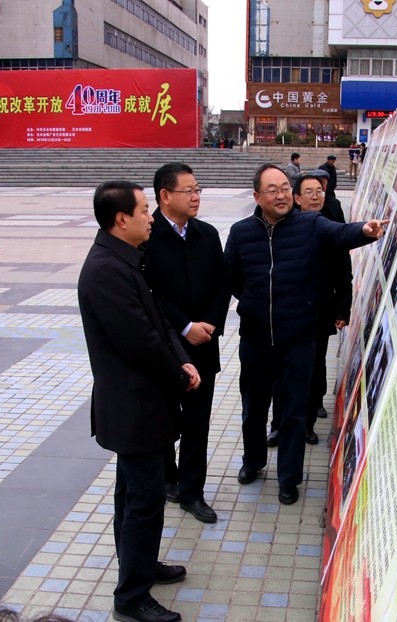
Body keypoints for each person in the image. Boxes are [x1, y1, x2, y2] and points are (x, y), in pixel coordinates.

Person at [224, 164, 388, 505]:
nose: (282, 195)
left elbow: (342, 234)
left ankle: (289, 478)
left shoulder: (310, 224)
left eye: (285, 188)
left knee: (294, 411)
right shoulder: (240, 233)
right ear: (257, 196)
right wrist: (254, 302)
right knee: (254, 407)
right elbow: (231, 278)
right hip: (255, 337)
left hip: (298, 338)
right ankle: (252, 461)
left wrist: (365, 230)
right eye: (273, 190)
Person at [78, 180, 200, 622]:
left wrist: (182, 359)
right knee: (144, 501)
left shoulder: (126, 258)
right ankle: (131, 597)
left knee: (133, 495)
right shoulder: (107, 271)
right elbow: (140, 342)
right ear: (121, 219)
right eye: (144, 210)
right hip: (135, 409)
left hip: (144, 405)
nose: (150, 218)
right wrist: (179, 376)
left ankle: (140, 566)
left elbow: (158, 323)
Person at [144, 162, 231, 524]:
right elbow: (149, 294)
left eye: (198, 190)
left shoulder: (206, 234)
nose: (196, 197)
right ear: (165, 196)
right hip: (165, 349)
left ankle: (192, 492)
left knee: (197, 423)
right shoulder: (146, 237)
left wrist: (208, 324)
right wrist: (184, 326)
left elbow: (222, 283)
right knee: (163, 419)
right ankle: (168, 479)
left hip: (203, 345)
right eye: (189, 191)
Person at [267, 170, 351, 448]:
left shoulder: (331, 226)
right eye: (309, 192)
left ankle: (307, 424)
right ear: (297, 198)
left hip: (319, 311)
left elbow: (344, 274)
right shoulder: (284, 227)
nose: (316, 196)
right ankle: (278, 424)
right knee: (283, 372)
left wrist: (342, 310)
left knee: (314, 368)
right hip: (288, 314)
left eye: (320, 191)